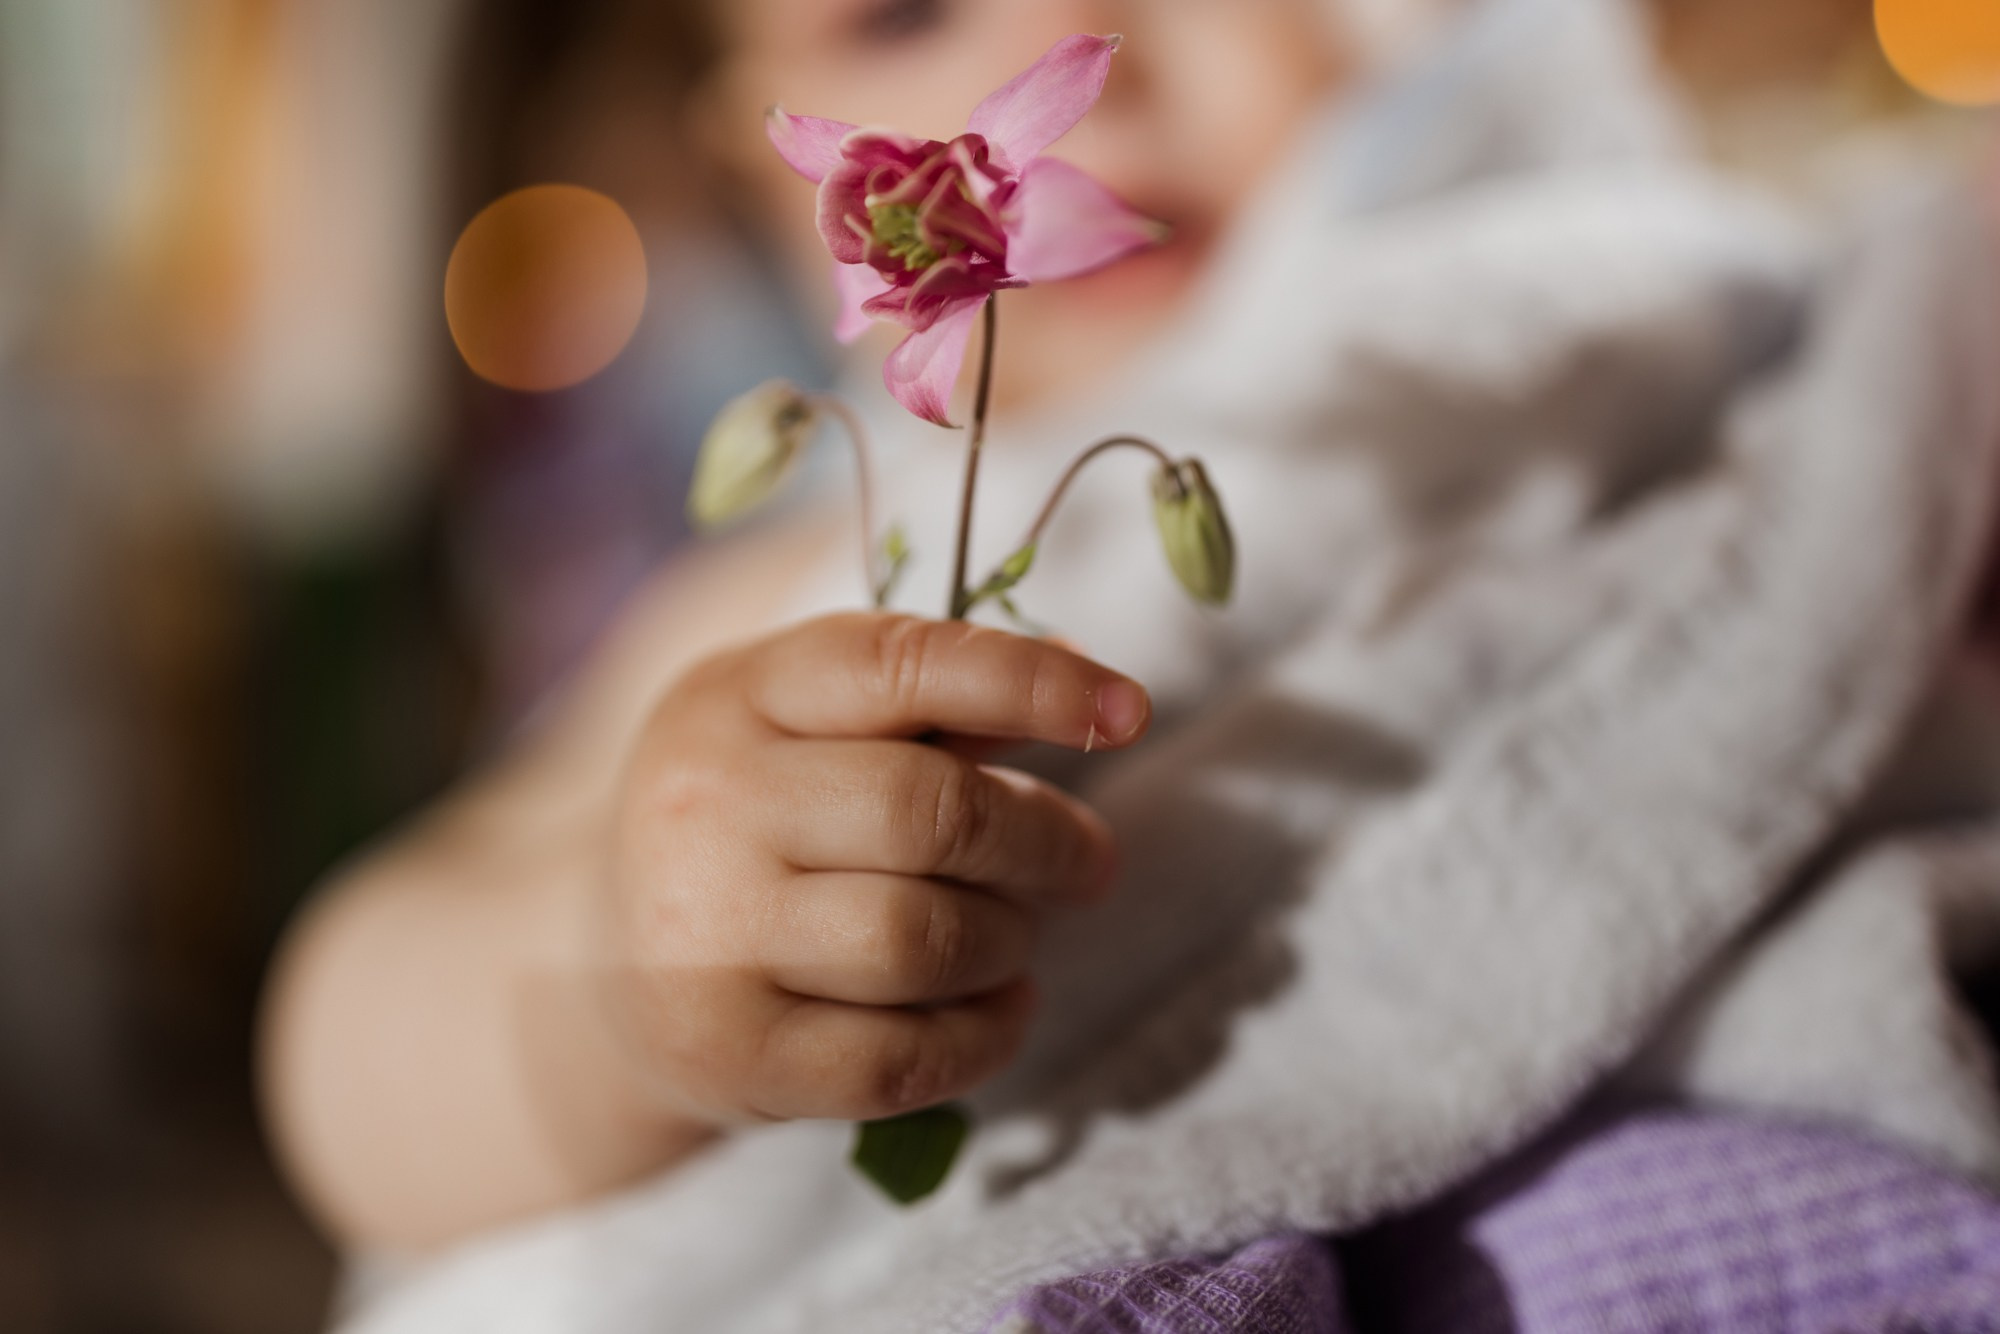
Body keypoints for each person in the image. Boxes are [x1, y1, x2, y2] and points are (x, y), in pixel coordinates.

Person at [259, 0, 1356, 1255]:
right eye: (899, 16)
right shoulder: (777, 597)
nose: (1076, 58)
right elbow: (357, 1012)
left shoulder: (1524, 413)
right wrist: (624, 991)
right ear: (760, 163)